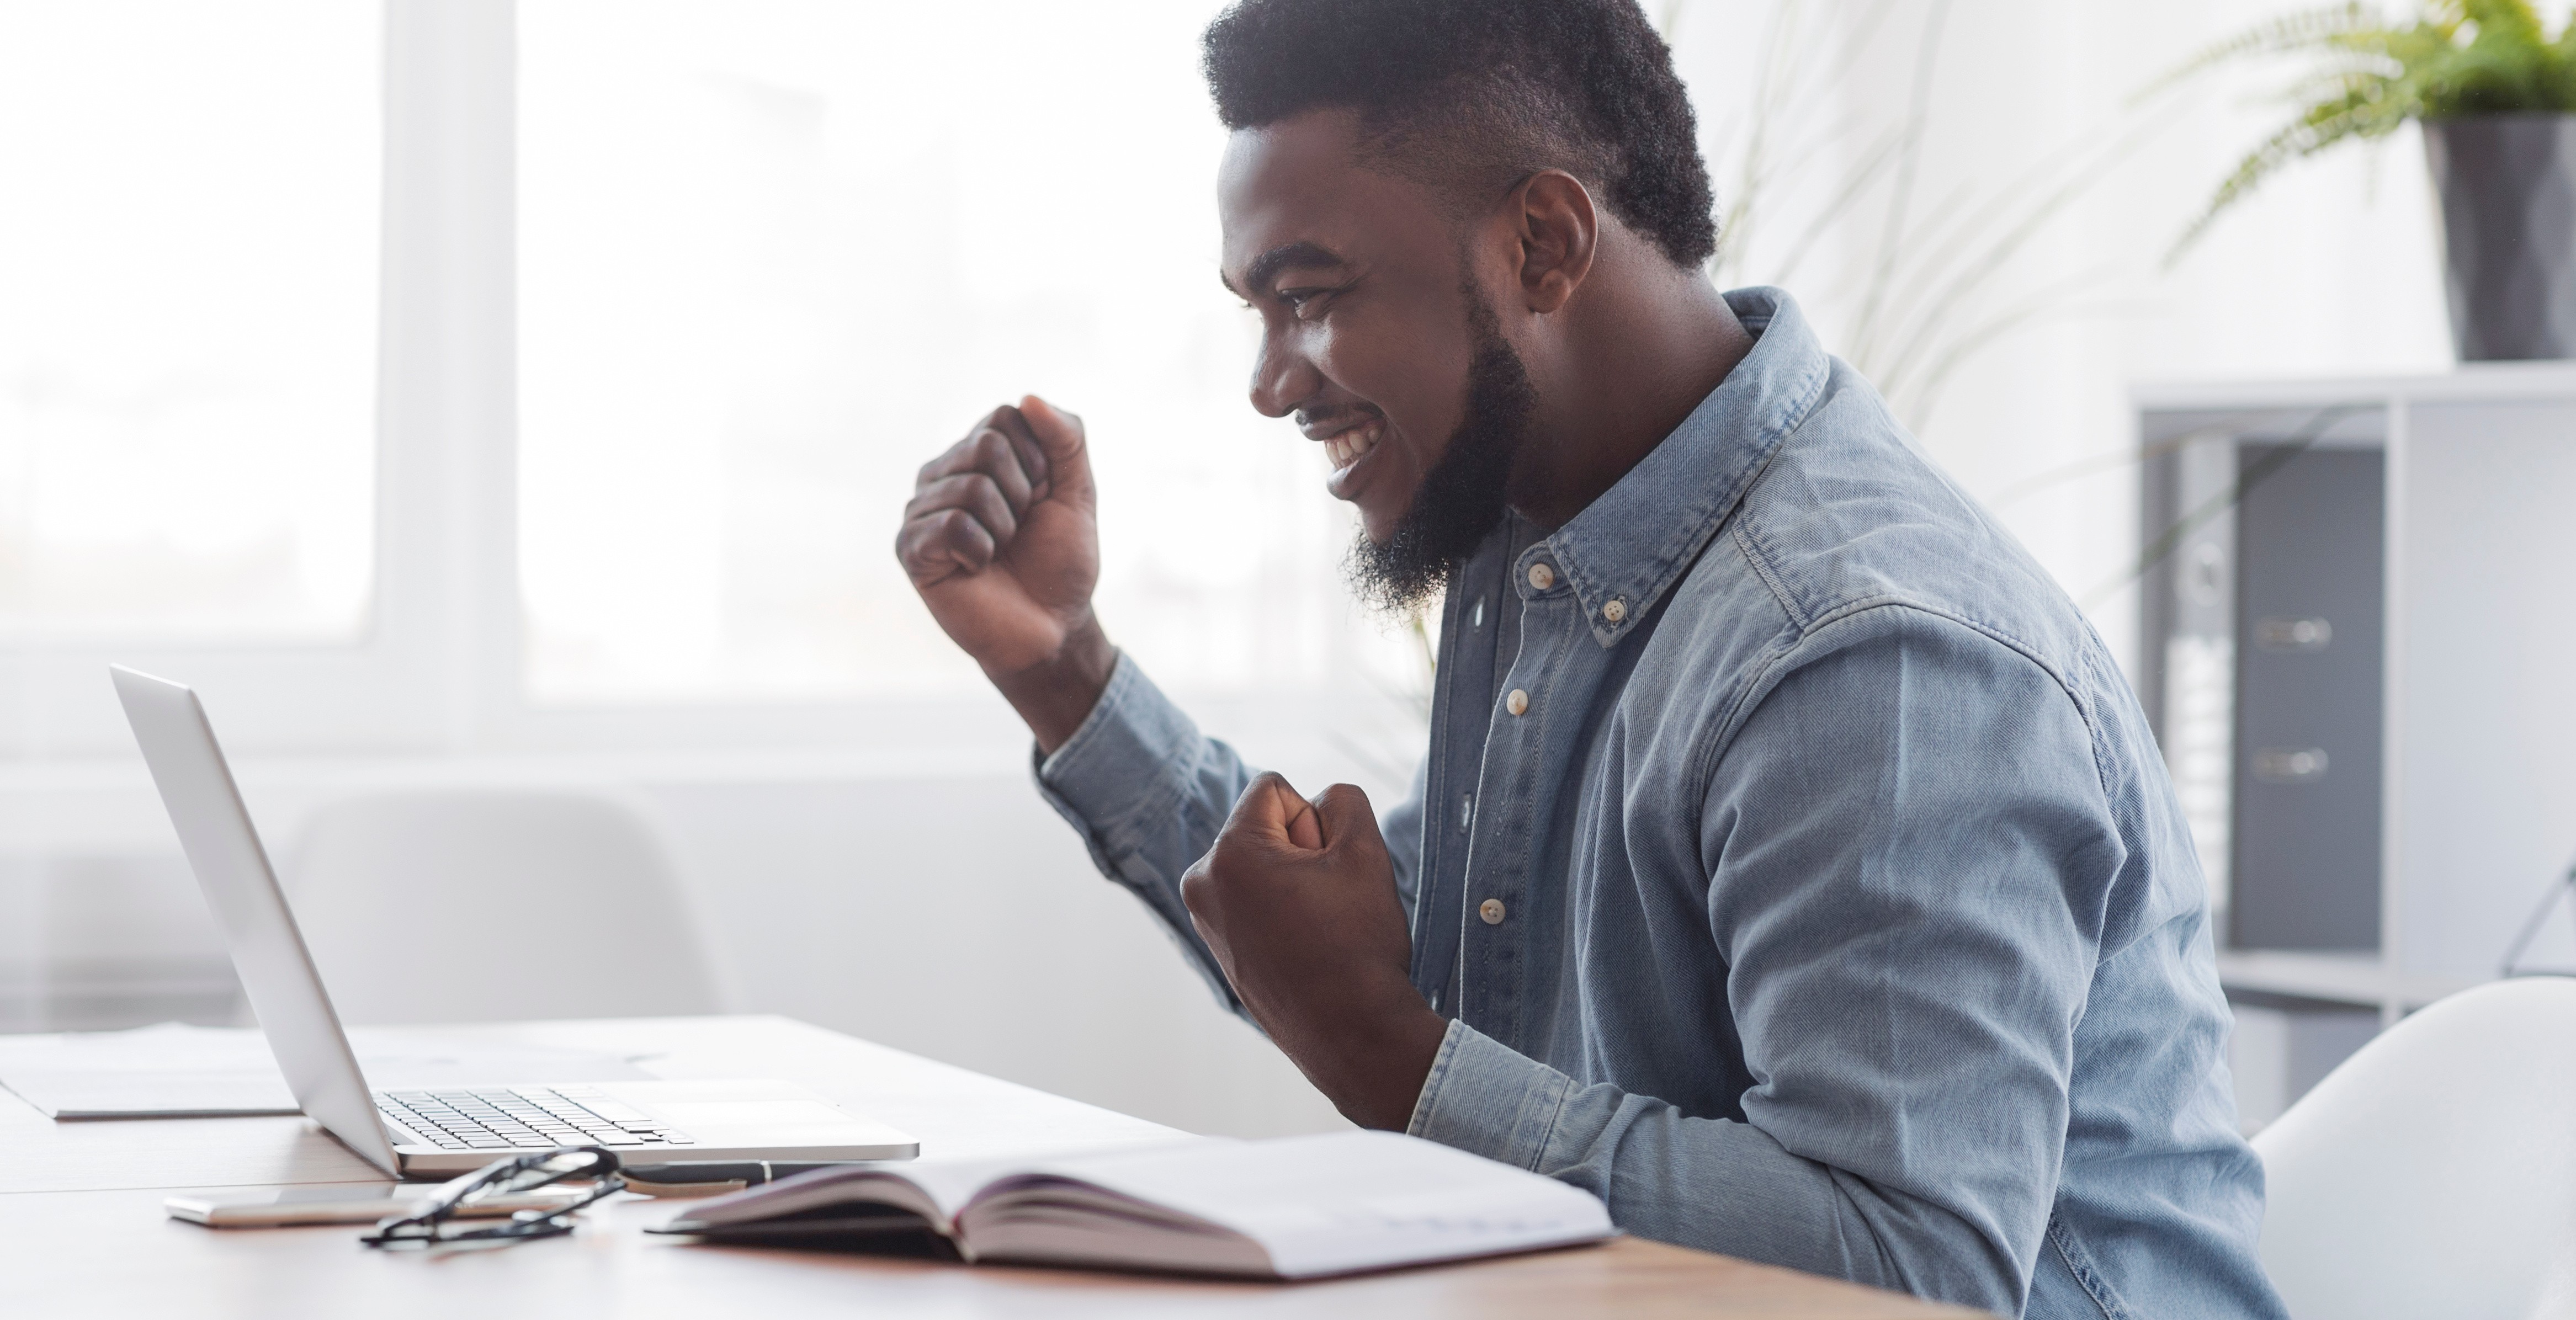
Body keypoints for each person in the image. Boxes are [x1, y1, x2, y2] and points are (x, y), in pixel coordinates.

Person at [893, 1, 2284, 1315]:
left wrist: (1387, 1054)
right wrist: (1060, 666)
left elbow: (1904, 1269)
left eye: (1309, 295)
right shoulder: (1553, 549)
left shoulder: (1867, 657)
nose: (1272, 378)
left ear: (1544, 245)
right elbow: (1378, 957)